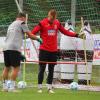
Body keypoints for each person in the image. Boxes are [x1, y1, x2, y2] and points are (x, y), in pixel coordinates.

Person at [32, 9, 82, 93]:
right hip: (44, 50)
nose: (52, 20)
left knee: (52, 70)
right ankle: (39, 87)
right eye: (51, 19)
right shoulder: (42, 23)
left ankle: (49, 88)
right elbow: (32, 33)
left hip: (53, 51)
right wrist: (37, 38)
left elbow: (65, 32)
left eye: (54, 19)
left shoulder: (57, 23)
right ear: (49, 16)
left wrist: (76, 35)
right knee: (42, 69)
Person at [2, 12, 42, 92]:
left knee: (7, 67)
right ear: (23, 18)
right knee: (16, 68)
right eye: (25, 19)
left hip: (6, 47)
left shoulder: (11, 24)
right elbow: (30, 35)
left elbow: (16, 37)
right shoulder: (22, 23)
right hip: (14, 48)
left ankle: (5, 87)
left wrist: (19, 54)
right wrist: (38, 39)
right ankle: (12, 88)